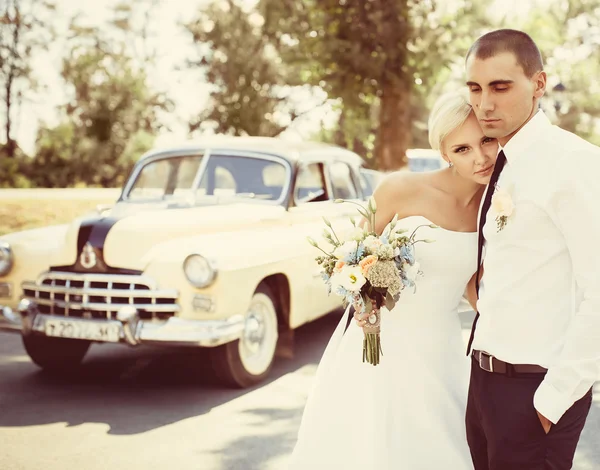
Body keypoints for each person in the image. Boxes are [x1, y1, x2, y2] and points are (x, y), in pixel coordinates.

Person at [288, 90, 497, 469]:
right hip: (377, 344)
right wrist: (364, 306)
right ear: (445, 153)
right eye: (463, 148)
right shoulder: (400, 189)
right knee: (370, 447)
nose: (480, 157)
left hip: (441, 350)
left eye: (486, 140)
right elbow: (350, 259)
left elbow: (474, 287)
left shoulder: (496, 207)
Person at [464, 29, 600, 470]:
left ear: (538, 84)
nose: (485, 104)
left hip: (536, 394)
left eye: (500, 87)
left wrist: (553, 401)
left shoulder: (573, 162)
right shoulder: (500, 162)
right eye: (475, 87)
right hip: (484, 386)